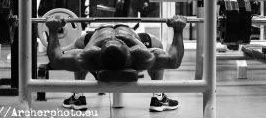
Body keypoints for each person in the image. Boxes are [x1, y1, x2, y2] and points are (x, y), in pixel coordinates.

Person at [45, 15, 186, 112]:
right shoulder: (142, 55)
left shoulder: (88, 56)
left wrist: (53, 29)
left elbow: (56, 60)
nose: (114, 39)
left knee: (78, 44)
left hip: (98, 32)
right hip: (128, 31)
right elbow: (174, 60)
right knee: (158, 44)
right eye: (119, 42)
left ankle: (77, 96)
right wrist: (178, 30)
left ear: (99, 51)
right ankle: (159, 97)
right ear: (129, 50)